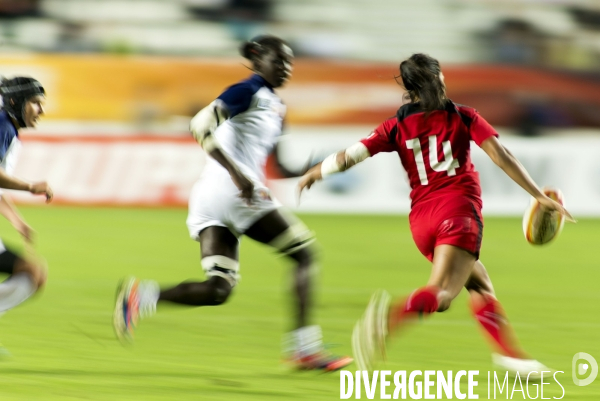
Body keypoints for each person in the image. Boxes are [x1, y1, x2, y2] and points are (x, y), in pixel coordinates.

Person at [297, 53, 572, 375]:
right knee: (441, 294)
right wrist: (538, 195)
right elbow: (502, 154)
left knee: (480, 285)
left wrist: (316, 172)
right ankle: (389, 320)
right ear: (440, 78)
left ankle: (511, 357)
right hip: (458, 212)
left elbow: (349, 156)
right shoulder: (464, 117)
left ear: (408, 87)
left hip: (422, 220)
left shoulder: (395, 125)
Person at [113, 35, 352, 371]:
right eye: (279, 60)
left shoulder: (277, 108)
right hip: (234, 191)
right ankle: (304, 349)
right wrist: (239, 175)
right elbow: (199, 124)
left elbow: (279, 166)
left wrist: (312, 168)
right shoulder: (247, 90)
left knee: (218, 289)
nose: (286, 68)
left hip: (213, 196)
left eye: (290, 63)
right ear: (257, 59)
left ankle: (143, 296)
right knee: (304, 255)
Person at [0, 76, 54, 352]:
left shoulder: (7, 129)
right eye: (35, 103)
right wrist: (31, 186)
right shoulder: (3, 126)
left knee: (34, 273)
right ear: (14, 102)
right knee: (32, 272)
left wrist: (17, 221)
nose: (41, 111)